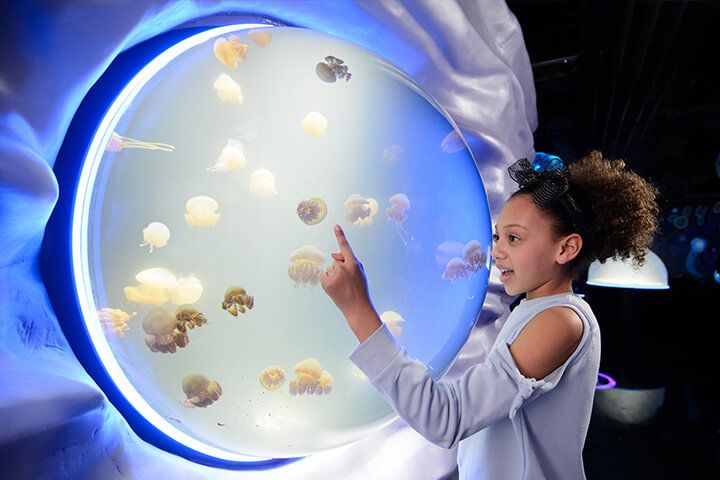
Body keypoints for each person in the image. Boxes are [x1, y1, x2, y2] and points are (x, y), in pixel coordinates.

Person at [320, 150, 660, 480]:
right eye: (498, 236)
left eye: (514, 238)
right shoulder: (535, 311)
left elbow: (445, 418)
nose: (496, 251)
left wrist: (358, 309)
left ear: (566, 248)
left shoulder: (561, 322)